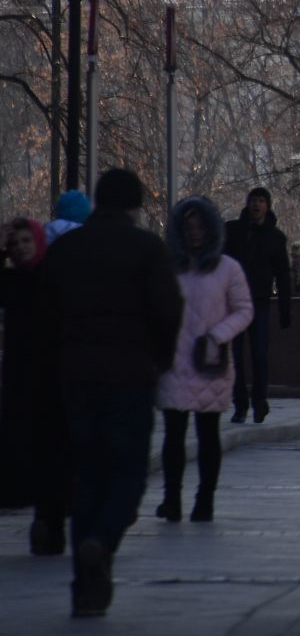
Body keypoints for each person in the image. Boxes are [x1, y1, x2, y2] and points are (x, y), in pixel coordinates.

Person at [38, 168, 183, 618]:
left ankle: (86, 588)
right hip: (129, 378)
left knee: (89, 474)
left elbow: (45, 313)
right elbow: (168, 310)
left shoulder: (67, 249)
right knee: (126, 474)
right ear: (135, 204)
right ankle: (102, 540)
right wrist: (158, 359)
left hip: (77, 378)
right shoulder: (147, 249)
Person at [155, 197, 253, 524]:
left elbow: (244, 310)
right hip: (173, 361)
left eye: (200, 227)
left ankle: (204, 500)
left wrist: (218, 335)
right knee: (173, 434)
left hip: (209, 362)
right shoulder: (169, 267)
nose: (195, 233)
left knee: (208, 434)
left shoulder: (228, 269)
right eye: (188, 227)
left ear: (211, 230)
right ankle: (171, 499)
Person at [224, 186, 292, 424]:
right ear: (248, 204)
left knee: (260, 354)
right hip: (234, 303)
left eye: (261, 201)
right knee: (236, 355)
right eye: (253, 200)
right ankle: (240, 404)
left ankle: (260, 400)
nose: (256, 205)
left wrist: (285, 308)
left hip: (260, 302)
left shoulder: (275, 238)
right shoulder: (232, 231)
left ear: (267, 206)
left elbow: (283, 275)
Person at [1, 217, 49, 510]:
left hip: (49, 369)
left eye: (26, 241)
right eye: (14, 244)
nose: (21, 248)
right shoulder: (11, 280)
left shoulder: (53, 275)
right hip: (19, 371)